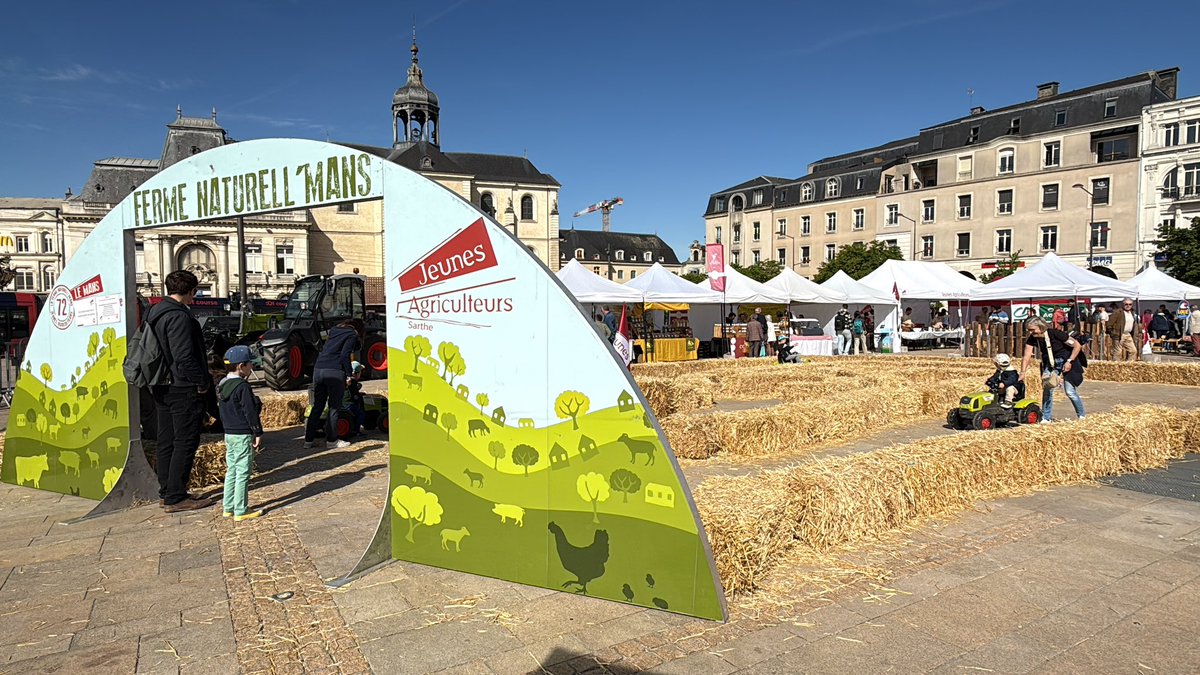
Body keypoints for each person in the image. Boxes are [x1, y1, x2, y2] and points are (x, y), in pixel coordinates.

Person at [147, 270, 214, 512]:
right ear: (191, 291)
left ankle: (167, 491)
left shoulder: (155, 311)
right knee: (185, 441)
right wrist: (202, 381)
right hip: (181, 386)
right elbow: (184, 357)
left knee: (166, 440)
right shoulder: (179, 316)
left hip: (161, 384)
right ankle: (176, 496)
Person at [217, 346, 264, 521]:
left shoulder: (222, 385)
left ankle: (228, 507)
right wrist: (257, 431)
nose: (252, 367)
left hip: (229, 433)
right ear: (240, 366)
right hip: (242, 434)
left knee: (232, 470)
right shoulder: (242, 386)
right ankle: (241, 510)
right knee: (243, 472)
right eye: (249, 363)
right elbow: (250, 412)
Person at [304, 320, 361, 449]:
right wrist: (349, 374)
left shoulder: (333, 332)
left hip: (318, 369)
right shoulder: (352, 335)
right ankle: (332, 441)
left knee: (317, 406)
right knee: (334, 407)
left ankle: (308, 441)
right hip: (334, 371)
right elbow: (345, 355)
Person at [1021, 316, 1085, 422]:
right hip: (1050, 364)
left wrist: (1069, 361)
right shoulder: (1033, 338)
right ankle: (1046, 418)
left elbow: (1077, 346)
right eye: (1029, 330)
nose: (1030, 332)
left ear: (1041, 327)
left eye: (1032, 329)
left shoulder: (1056, 334)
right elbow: (1026, 356)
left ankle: (1081, 416)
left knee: (1070, 391)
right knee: (1047, 389)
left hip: (1066, 361)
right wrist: (1022, 372)